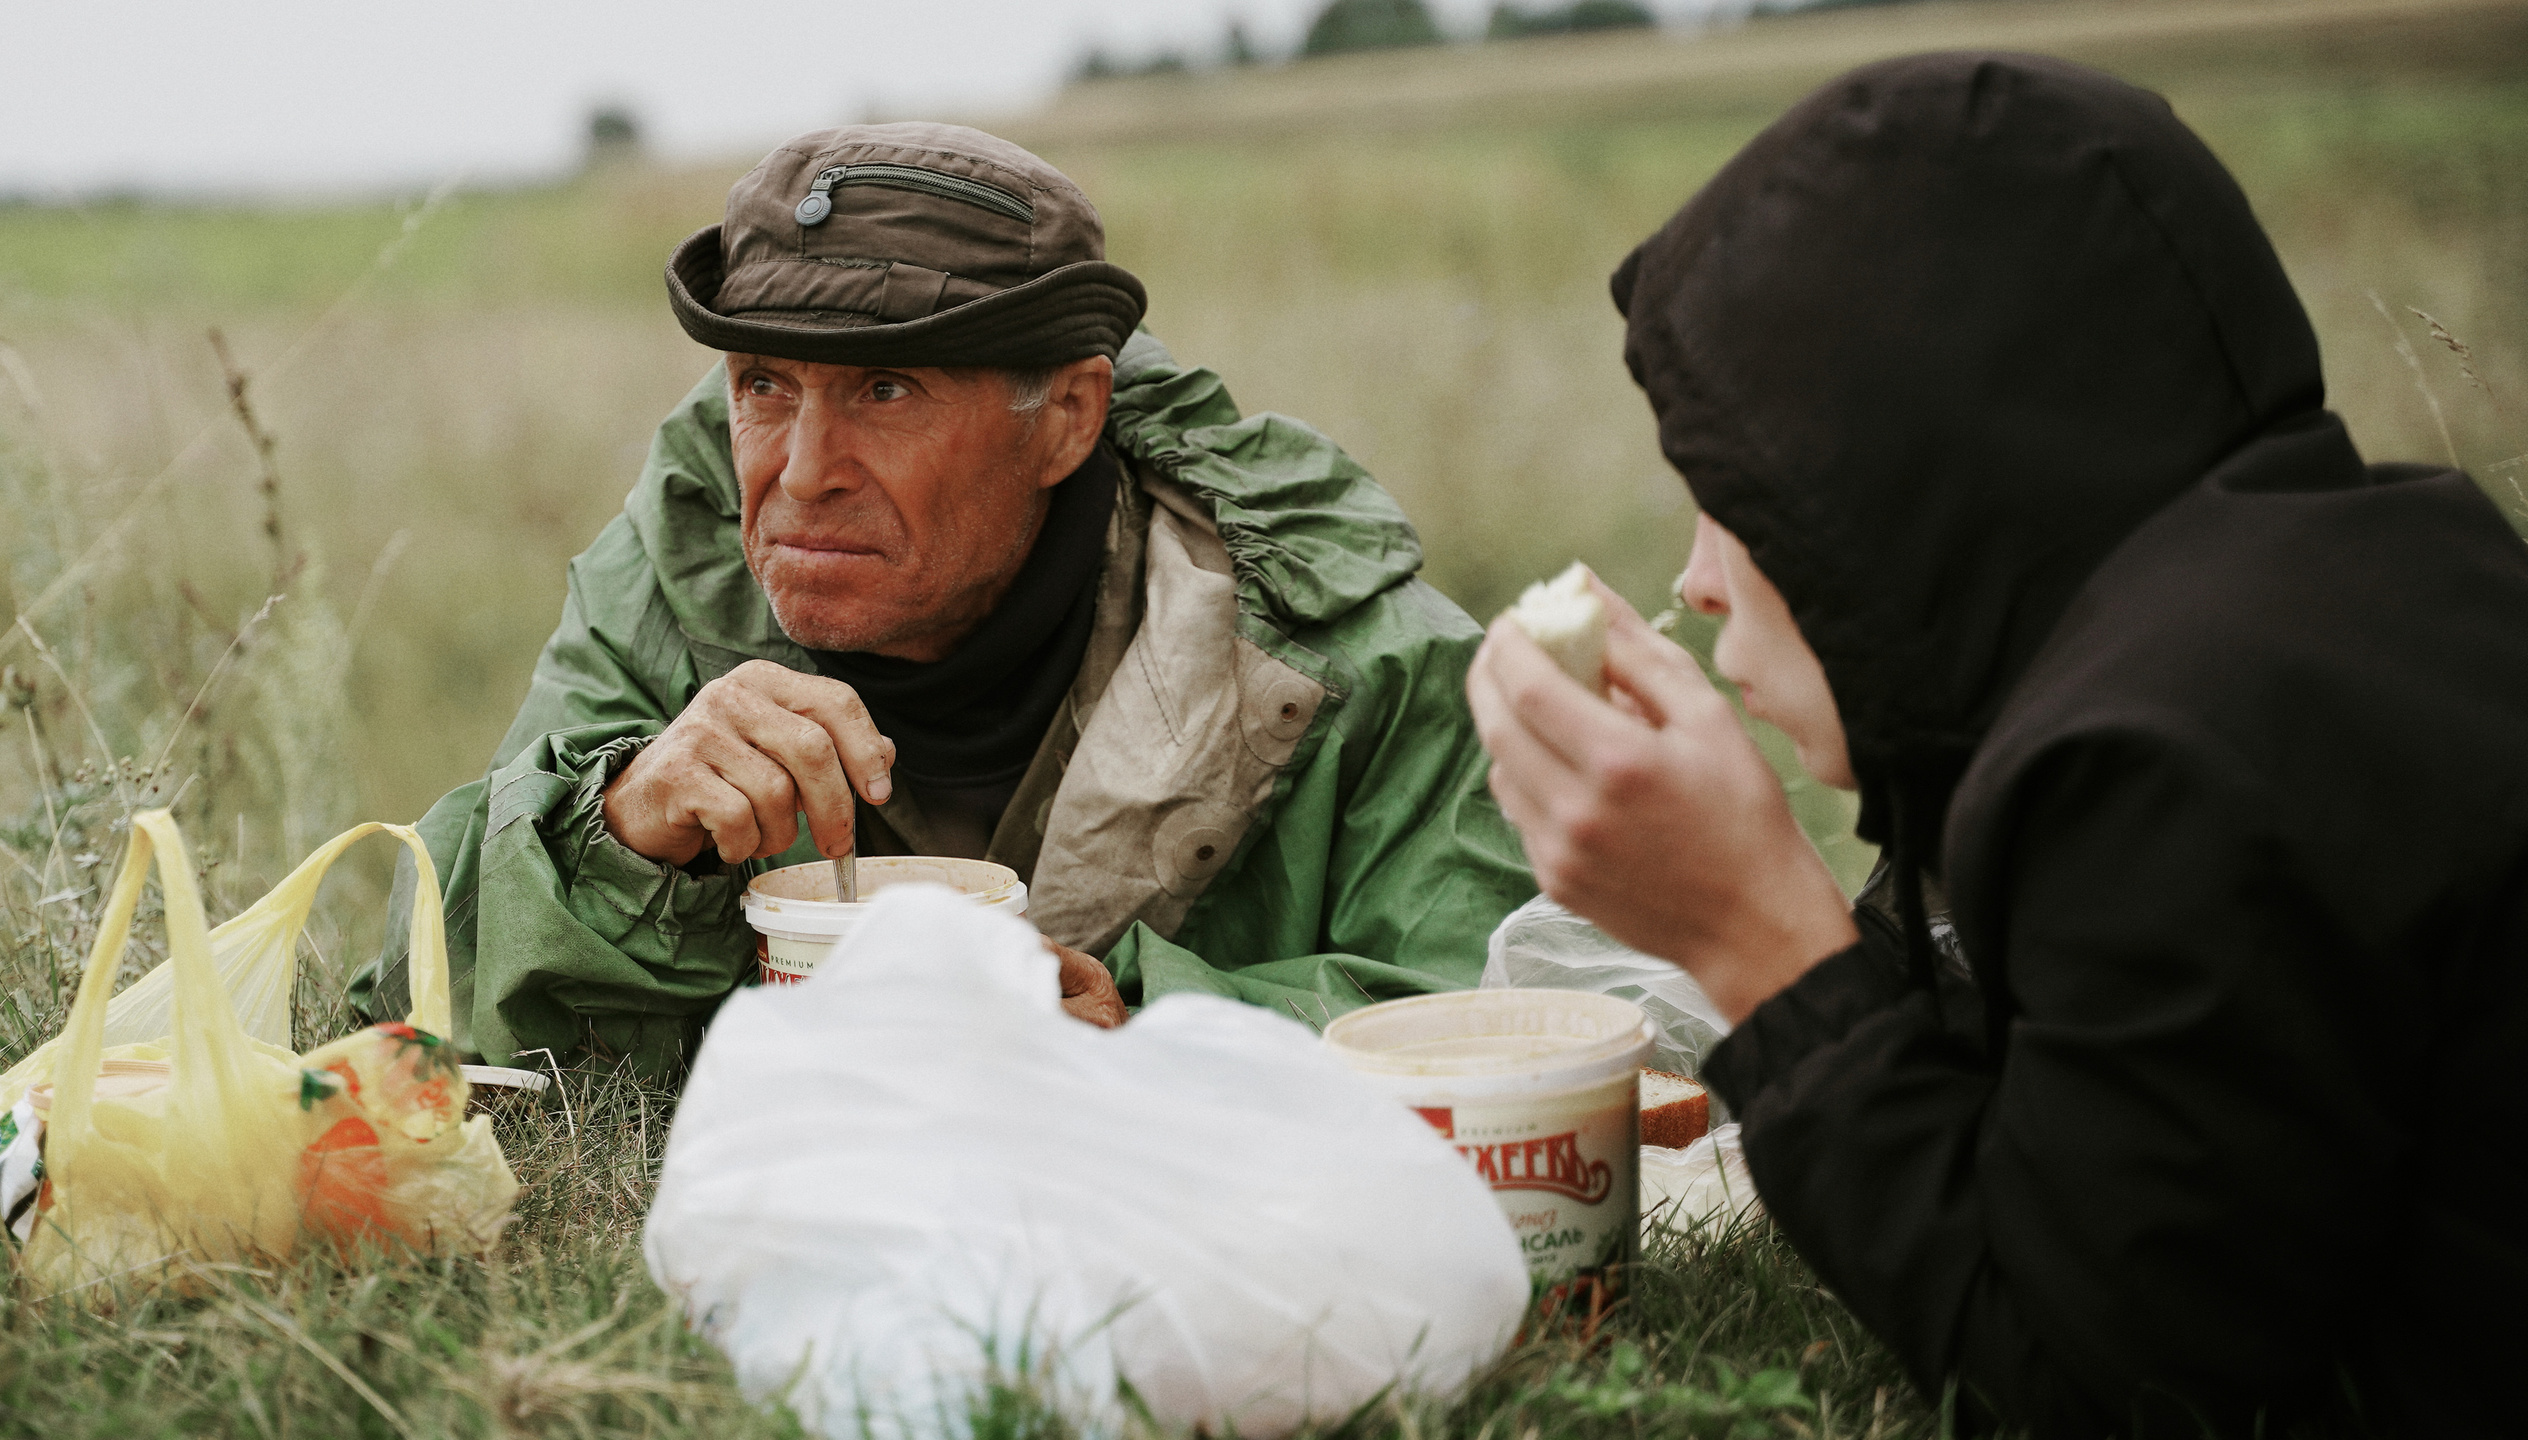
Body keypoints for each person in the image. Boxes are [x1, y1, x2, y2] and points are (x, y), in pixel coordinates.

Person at [1468, 52, 2528, 1440]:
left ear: (1895, 473)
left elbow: (2101, 1387)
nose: (1699, 578)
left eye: (1733, 495)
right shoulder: (2353, 585)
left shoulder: (2177, 757)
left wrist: (1755, 936)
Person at [351, 122, 1533, 1080]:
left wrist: (1156, 1024)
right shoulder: (677, 568)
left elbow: (1514, 1017)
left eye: (885, 387)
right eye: (763, 383)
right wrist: (619, 833)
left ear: (1067, 415)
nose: (803, 471)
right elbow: (416, 998)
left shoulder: (1333, 641)